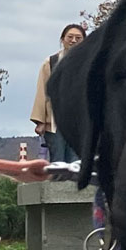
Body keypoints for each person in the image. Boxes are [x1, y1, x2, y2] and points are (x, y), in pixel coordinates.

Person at [32, 24, 87, 164]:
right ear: (62, 39)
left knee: (76, 162)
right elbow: (42, 91)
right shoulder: (51, 62)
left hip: (80, 122)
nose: (73, 40)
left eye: (78, 38)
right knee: (58, 161)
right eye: (70, 37)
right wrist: (40, 121)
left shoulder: (90, 63)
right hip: (55, 121)